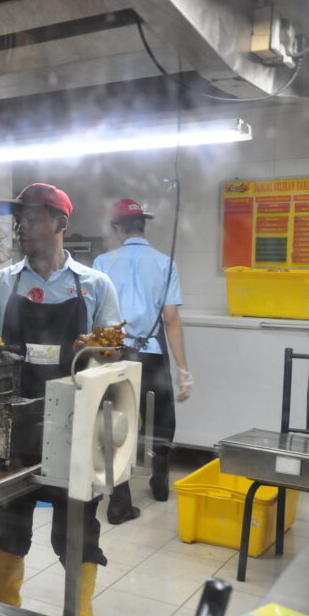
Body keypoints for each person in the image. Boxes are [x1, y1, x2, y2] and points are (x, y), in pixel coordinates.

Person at [0, 183, 122, 616]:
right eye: (19, 219)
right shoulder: (0, 284)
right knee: (9, 524)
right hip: (12, 429)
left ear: (60, 223)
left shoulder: (94, 286)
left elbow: (114, 354)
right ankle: (4, 613)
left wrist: (102, 351)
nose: (21, 227)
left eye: (32, 218)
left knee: (76, 533)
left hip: (74, 429)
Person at [93, 199, 192, 525]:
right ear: (142, 225)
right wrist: (183, 371)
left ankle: (119, 503)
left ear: (118, 228)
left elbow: (96, 317)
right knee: (161, 422)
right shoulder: (166, 263)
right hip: (151, 355)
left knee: (115, 425)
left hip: (115, 355)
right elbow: (172, 320)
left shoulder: (103, 262)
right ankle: (160, 484)